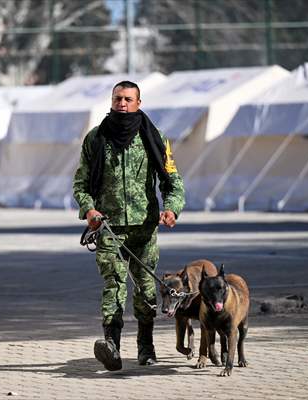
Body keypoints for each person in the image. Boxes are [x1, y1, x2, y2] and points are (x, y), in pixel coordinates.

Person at [73, 81, 185, 371]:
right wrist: (89, 209)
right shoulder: (96, 138)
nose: (122, 103)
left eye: (128, 98)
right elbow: (81, 183)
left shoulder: (154, 137)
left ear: (138, 102)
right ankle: (111, 346)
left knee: (146, 291)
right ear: (111, 101)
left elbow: (172, 181)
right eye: (117, 98)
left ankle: (146, 348)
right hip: (108, 227)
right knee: (114, 285)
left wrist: (172, 208)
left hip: (144, 229)